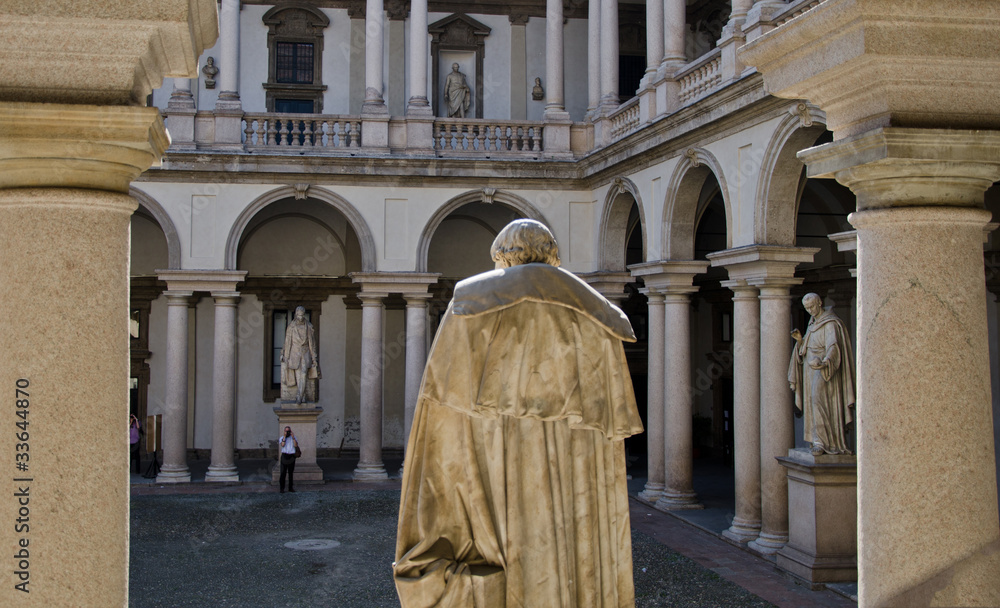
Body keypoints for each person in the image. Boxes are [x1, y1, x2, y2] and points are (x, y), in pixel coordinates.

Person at [394, 219, 643, 607]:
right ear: (552, 254)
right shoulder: (599, 315)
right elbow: (607, 427)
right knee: (575, 533)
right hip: (577, 462)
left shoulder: (471, 303)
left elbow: (439, 405)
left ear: (502, 255)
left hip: (494, 455)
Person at [788, 293, 856, 455]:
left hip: (824, 370)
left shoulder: (830, 323)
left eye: (812, 306)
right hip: (810, 370)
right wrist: (799, 341)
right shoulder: (812, 324)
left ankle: (827, 442)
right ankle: (817, 440)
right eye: (807, 308)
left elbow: (834, 347)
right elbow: (805, 350)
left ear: (819, 303)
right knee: (812, 403)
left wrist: (825, 362)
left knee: (820, 402)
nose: (810, 310)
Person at [281, 306, 320, 404]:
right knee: (299, 376)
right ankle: (301, 396)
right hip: (294, 355)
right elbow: (287, 342)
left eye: (302, 315)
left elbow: (312, 344)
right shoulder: (291, 327)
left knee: (303, 374)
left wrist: (314, 358)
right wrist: (284, 355)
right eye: (299, 315)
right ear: (296, 315)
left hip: (305, 354)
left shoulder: (309, 326)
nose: (301, 317)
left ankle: (299, 395)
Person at [278, 426, 298, 493]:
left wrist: (293, 437)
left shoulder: (293, 438)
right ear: (284, 431)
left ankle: (290, 487)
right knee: (283, 473)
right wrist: (284, 436)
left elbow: (295, 445)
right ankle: (282, 488)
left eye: (288, 431)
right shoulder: (282, 438)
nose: (287, 432)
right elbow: (282, 445)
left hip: (291, 456)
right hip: (284, 456)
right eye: (286, 431)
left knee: (290, 473)